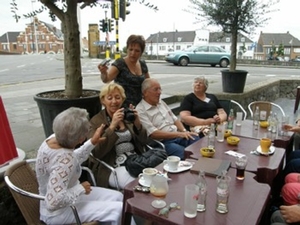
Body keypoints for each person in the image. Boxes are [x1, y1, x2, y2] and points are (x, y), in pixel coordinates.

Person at [35, 107, 123, 225]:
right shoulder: (66, 159)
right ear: (80, 139)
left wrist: (92, 142)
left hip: (70, 197)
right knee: (119, 209)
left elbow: (71, 159)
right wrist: (80, 189)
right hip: (59, 213)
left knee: (118, 196)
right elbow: (53, 202)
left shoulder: (54, 138)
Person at [89, 83, 148, 189]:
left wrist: (137, 124)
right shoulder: (96, 121)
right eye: (109, 98)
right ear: (103, 101)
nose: (114, 101)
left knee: (156, 178)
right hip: (112, 165)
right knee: (138, 185)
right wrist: (111, 127)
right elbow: (96, 152)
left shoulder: (127, 116)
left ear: (122, 100)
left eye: (117, 97)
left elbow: (144, 141)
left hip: (136, 161)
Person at [136, 78, 199, 159]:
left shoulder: (161, 102)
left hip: (177, 135)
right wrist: (179, 134)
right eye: (156, 89)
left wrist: (185, 131)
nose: (159, 92)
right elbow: (153, 134)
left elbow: (174, 119)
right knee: (185, 154)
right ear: (145, 93)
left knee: (197, 142)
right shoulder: (140, 110)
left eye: (160, 89)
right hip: (163, 142)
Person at [98, 34, 150, 107]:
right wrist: (103, 72)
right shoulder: (120, 63)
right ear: (127, 49)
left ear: (141, 52)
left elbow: (148, 83)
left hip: (140, 106)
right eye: (130, 49)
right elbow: (106, 79)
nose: (133, 53)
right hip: (123, 107)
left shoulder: (142, 64)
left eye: (137, 51)